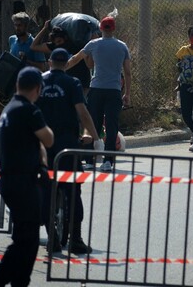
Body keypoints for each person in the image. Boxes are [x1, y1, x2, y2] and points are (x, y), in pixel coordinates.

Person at [0, 67, 54, 287]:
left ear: (17, 85)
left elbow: (33, 141)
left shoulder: (10, 108)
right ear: (37, 89)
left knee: (29, 241)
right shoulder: (29, 110)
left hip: (12, 181)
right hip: (22, 182)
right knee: (24, 242)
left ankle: (19, 282)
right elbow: (49, 138)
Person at [36, 48, 102, 254]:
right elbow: (82, 112)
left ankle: (52, 238)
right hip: (67, 143)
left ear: (49, 61)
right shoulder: (72, 83)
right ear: (66, 63)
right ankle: (76, 239)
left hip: (43, 143)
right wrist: (96, 138)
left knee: (45, 190)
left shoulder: (39, 81)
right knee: (73, 190)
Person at [68, 13, 131, 172]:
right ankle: (108, 161)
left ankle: (89, 160)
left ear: (100, 28)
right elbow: (128, 72)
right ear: (114, 29)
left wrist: (58, 69)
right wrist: (127, 93)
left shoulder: (93, 44)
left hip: (96, 89)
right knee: (111, 126)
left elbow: (76, 58)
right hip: (114, 90)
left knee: (92, 125)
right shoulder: (122, 46)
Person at [30, 20, 92, 95]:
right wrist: (44, 29)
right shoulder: (55, 46)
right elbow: (33, 46)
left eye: (59, 41)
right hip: (64, 85)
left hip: (82, 84)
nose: (58, 44)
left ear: (65, 38)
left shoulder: (77, 45)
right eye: (56, 43)